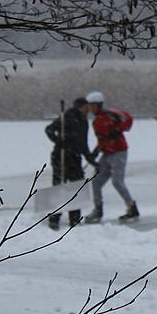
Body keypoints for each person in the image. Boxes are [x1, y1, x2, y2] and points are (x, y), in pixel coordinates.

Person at [81, 91, 139, 223]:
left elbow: (129, 119)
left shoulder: (111, 113)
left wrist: (118, 130)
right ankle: (98, 210)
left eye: (92, 105)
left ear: (99, 104)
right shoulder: (96, 121)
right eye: (89, 106)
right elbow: (103, 139)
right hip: (107, 153)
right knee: (96, 182)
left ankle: (131, 208)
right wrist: (96, 151)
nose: (90, 109)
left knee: (117, 181)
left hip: (119, 151)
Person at [44, 97, 97, 229]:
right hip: (61, 157)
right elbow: (49, 129)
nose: (89, 109)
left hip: (74, 157)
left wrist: (91, 160)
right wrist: (58, 141)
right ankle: (54, 218)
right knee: (59, 187)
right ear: (81, 107)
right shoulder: (67, 117)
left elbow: (83, 143)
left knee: (76, 187)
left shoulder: (84, 121)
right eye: (86, 107)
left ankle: (74, 218)